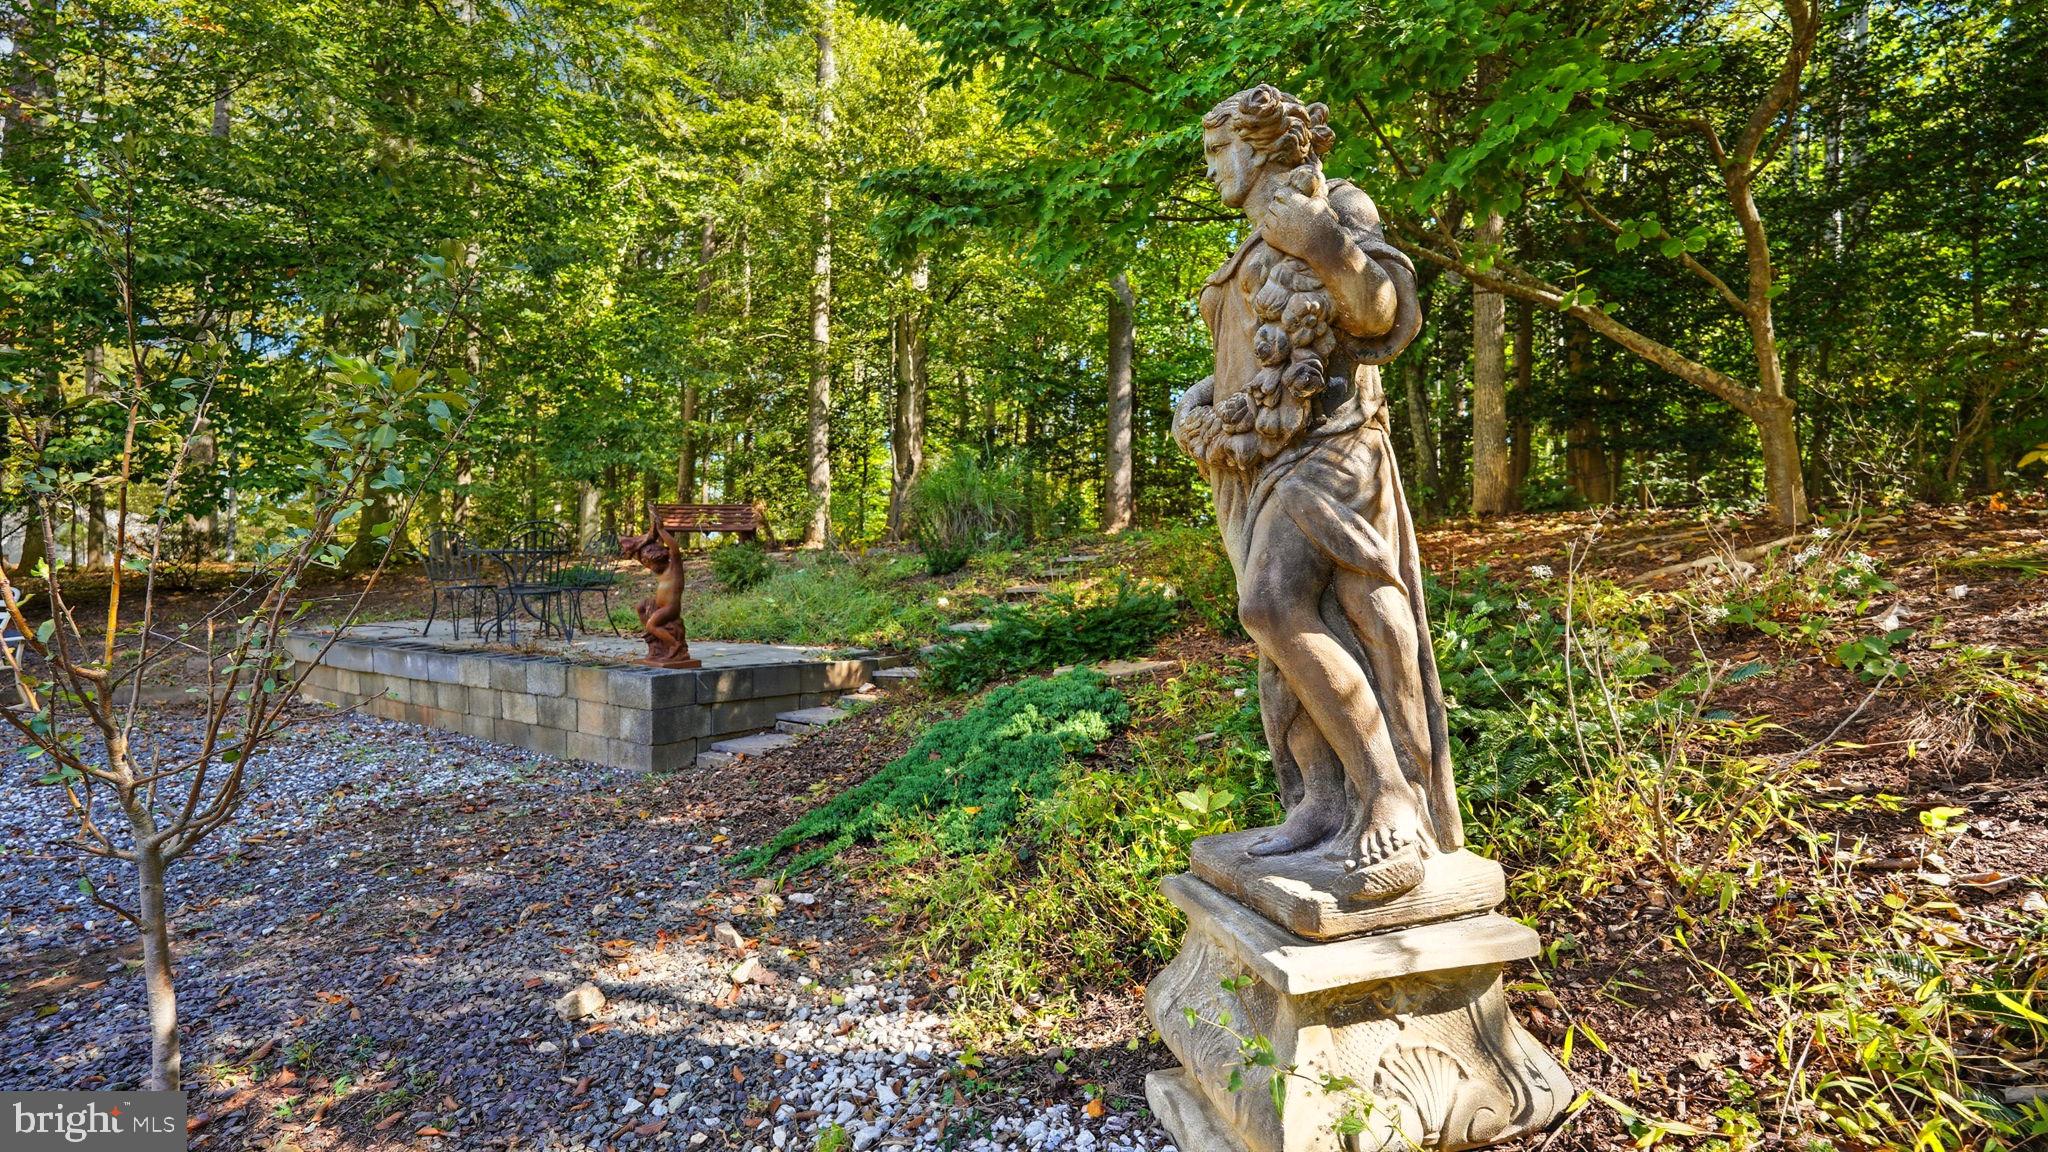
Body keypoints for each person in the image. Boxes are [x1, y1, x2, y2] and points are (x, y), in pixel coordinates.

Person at [1174, 84, 1459, 899]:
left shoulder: (1334, 204)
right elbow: (1252, 359)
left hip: (1333, 448)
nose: (1211, 170)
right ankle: (1322, 801)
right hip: (1260, 459)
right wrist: (1200, 404)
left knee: (1270, 605)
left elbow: (1378, 313)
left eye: (1216, 151)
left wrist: (1322, 241)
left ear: (1261, 146)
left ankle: (1391, 799)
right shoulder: (1249, 244)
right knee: (1279, 641)